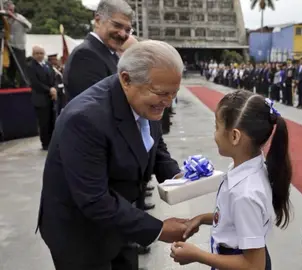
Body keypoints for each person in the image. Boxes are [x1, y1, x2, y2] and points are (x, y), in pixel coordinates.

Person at [37, 40, 193, 270]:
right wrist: (158, 229)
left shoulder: (146, 102)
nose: (168, 103)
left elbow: (155, 147)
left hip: (122, 222)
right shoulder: (85, 119)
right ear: (126, 79)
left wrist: (178, 177)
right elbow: (94, 199)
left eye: (174, 94)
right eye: (162, 94)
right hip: (81, 235)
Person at [169, 91, 292, 270]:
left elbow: (254, 266)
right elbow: (233, 219)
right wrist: (202, 218)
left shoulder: (244, 193)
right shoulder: (249, 167)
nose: (215, 134)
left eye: (217, 127)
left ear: (235, 136)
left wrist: (197, 255)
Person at [63, 0, 133, 101]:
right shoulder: (85, 55)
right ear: (98, 20)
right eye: (117, 25)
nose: (122, 34)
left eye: (127, 30)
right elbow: (94, 105)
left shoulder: (108, 54)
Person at [26, 45, 56, 150]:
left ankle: (53, 141)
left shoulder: (47, 65)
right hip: (40, 99)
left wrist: (54, 88)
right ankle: (45, 143)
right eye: (37, 53)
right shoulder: (31, 66)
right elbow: (35, 83)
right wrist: (49, 89)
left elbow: (53, 77)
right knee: (44, 122)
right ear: (33, 54)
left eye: (41, 53)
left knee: (52, 120)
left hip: (51, 98)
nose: (39, 55)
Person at [3, 0, 31, 87]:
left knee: (21, 68)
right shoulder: (4, 19)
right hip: (7, 47)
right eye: (6, 6)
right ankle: (9, 86)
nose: (8, 7)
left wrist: (15, 18)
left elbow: (29, 26)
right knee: (10, 69)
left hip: (19, 47)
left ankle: (24, 86)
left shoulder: (19, 17)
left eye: (10, 5)